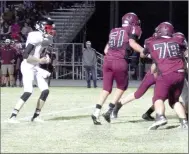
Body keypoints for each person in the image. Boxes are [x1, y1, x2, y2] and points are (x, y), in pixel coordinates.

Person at [91, 12, 143, 125]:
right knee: (122, 86)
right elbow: (132, 43)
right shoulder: (132, 30)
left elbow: (105, 50)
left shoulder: (114, 30)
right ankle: (109, 110)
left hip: (107, 61)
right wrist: (145, 52)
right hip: (119, 61)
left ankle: (96, 112)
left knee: (106, 89)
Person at [8, 17, 56, 123]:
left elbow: (42, 50)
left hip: (35, 66)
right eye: (48, 28)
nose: (51, 30)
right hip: (27, 66)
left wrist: (46, 57)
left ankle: (36, 116)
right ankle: (13, 116)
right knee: (28, 91)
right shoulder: (35, 36)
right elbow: (25, 55)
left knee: (45, 90)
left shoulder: (46, 38)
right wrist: (40, 60)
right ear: (41, 27)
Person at [142, 22, 188, 130]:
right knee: (175, 100)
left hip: (166, 73)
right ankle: (184, 122)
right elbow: (186, 52)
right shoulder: (178, 39)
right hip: (180, 73)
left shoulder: (151, 42)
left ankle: (160, 117)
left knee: (158, 98)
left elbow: (144, 53)